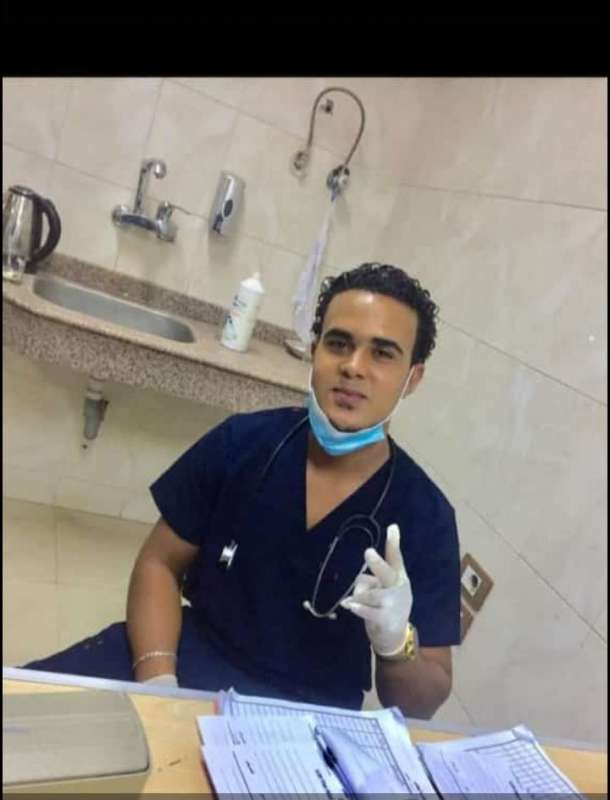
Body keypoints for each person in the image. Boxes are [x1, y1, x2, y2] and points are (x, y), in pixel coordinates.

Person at [25, 263, 461, 719]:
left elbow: (422, 701)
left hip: (306, 715)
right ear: (315, 352)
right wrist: (158, 683)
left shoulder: (426, 516)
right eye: (339, 344)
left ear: (412, 378)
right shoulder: (242, 442)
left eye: (382, 353)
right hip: (184, 657)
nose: (353, 367)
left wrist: (397, 644)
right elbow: (160, 562)